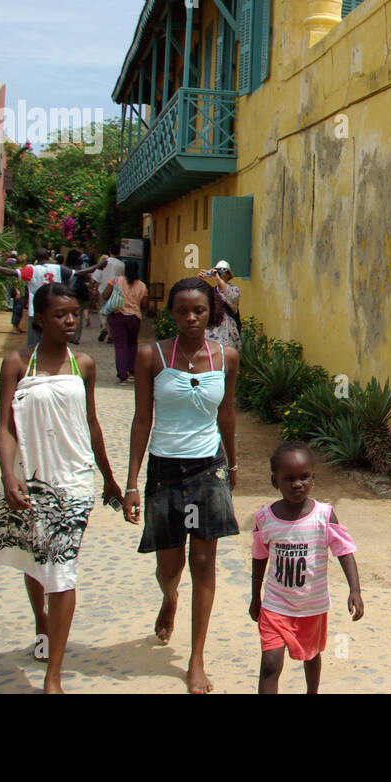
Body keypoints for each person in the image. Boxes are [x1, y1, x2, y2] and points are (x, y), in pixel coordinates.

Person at [0, 282, 122, 694]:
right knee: (35, 557)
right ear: (39, 318)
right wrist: (10, 476)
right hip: (31, 479)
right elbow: (6, 427)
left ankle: (53, 677)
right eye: (61, 314)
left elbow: (92, 424)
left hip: (75, 481)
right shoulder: (16, 364)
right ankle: (43, 625)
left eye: (75, 313)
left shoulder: (84, 365)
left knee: (61, 570)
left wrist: (110, 479)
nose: (70, 321)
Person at [122, 277, 240, 694]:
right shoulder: (150, 356)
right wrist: (132, 482)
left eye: (199, 311)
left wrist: (233, 462)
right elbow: (142, 419)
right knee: (168, 567)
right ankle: (170, 598)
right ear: (169, 313)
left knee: (204, 563)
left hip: (209, 469)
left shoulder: (226, 356)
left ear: (212, 313)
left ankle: (196, 659)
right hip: (165, 469)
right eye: (182, 311)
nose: (191, 318)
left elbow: (226, 415)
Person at [250, 441, 363, 694]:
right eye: (289, 478)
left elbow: (344, 551)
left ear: (313, 477)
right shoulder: (265, 518)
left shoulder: (324, 516)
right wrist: (255, 596)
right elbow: (259, 557)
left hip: (312, 607)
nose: (297, 484)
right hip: (275, 605)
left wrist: (354, 589)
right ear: (275, 481)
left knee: (311, 656)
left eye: (304, 477)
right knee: (270, 664)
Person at [0, 253, 98, 347]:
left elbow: (9, 272)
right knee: (55, 339)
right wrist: (98, 266)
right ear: (49, 257)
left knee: (34, 342)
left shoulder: (32, 270)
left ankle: (33, 368)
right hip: (57, 310)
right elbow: (79, 273)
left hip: (36, 311)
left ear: (36, 259)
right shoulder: (58, 269)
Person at [103, 260, 149, 385]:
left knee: (120, 345)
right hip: (134, 318)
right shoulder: (142, 286)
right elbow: (145, 305)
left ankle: (123, 376)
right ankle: (133, 371)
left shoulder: (116, 281)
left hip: (117, 316)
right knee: (133, 344)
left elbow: (105, 295)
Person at [200, 261, 241, 349]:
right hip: (211, 331)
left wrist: (218, 279)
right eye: (217, 270)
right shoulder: (211, 291)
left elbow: (230, 297)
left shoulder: (234, 290)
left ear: (229, 275)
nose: (219, 273)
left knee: (225, 358)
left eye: (223, 271)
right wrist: (200, 281)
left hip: (227, 333)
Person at [93, 247, 125, 343]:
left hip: (103, 290)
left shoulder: (104, 262)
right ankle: (111, 335)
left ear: (110, 251)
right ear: (119, 252)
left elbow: (96, 277)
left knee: (102, 310)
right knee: (113, 313)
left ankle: (103, 327)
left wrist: (95, 289)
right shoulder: (122, 265)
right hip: (116, 291)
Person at [63, 250, 92, 344]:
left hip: (67, 293)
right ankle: (76, 337)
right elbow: (87, 278)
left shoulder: (65, 268)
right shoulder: (81, 268)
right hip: (78, 294)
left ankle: (67, 335)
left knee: (66, 314)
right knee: (78, 315)